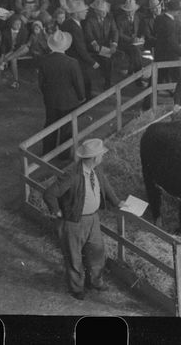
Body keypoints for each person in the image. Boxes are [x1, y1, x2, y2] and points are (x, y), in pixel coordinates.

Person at [42, 138, 121, 300]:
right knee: (74, 256)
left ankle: (95, 281)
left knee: (97, 252)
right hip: (74, 221)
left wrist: (117, 202)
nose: (102, 157)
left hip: (93, 219)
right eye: (101, 155)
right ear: (94, 157)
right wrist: (57, 211)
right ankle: (76, 288)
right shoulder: (72, 175)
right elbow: (49, 193)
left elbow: (105, 186)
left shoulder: (96, 170)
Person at [37, 30, 87, 157]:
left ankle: (47, 152)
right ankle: (63, 155)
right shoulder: (72, 63)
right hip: (69, 100)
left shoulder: (44, 61)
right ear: (66, 46)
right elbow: (78, 83)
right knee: (67, 128)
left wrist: (46, 94)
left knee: (50, 125)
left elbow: (41, 83)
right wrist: (81, 97)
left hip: (51, 99)